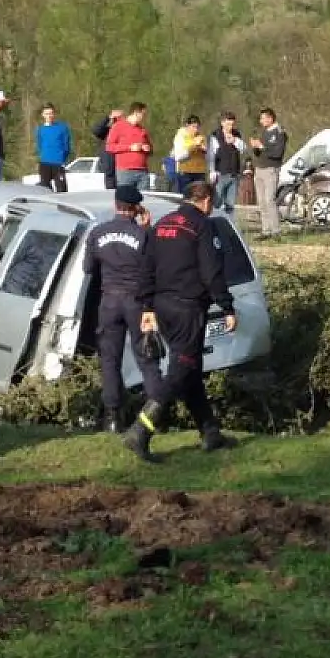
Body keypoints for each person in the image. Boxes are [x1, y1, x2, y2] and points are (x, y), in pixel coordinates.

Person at [122, 181, 237, 462]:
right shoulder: (202, 226)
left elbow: (146, 268)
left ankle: (210, 433)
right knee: (180, 371)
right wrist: (226, 306)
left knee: (190, 370)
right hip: (188, 308)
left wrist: (147, 306)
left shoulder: (162, 224)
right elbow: (211, 271)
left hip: (163, 307)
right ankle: (140, 430)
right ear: (206, 200)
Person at [84, 184, 154, 434]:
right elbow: (153, 268)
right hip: (137, 302)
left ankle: (113, 418)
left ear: (115, 205)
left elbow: (88, 269)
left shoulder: (97, 233)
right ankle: (155, 413)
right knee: (146, 356)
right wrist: (147, 228)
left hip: (109, 301)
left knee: (110, 359)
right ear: (137, 209)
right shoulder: (142, 235)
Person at [250, 108, 288, 238]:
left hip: (271, 169)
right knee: (261, 201)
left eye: (263, 118)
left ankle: (276, 230)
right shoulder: (264, 132)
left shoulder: (279, 133)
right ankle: (266, 230)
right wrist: (255, 147)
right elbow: (259, 152)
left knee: (269, 200)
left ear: (270, 118)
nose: (261, 121)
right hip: (259, 169)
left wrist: (262, 147)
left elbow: (277, 153)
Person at [106, 102, 155, 191]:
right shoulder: (118, 126)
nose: (144, 117)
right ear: (136, 112)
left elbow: (151, 149)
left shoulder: (142, 129)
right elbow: (109, 147)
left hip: (143, 172)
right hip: (125, 171)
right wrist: (130, 147)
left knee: (144, 197)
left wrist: (147, 148)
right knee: (126, 198)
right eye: (143, 114)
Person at [209, 113, 245, 215]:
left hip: (234, 173)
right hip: (220, 174)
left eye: (232, 124)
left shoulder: (236, 134)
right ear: (222, 123)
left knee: (230, 204)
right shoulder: (215, 135)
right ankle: (214, 220)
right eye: (228, 124)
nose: (230, 127)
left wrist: (235, 141)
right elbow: (211, 155)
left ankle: (229, 221)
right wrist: (212, 171)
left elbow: (243, 149)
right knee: (217, 202)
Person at [36, 102, 73, 191]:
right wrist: (43, 156)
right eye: (47, 114)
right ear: (43, 115)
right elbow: (39, 145)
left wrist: (62, 158)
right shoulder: (40, 129)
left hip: (58, 163)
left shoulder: (62, 128)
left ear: (54, 114)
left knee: (62, 189)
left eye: (51, 113)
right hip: (45, 163)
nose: (49, 116)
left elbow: (67, 146)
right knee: (44, 189)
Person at [172, 115, 208, 193]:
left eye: (197, 127)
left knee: (199, 196)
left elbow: (208, 154)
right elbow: (178, 157)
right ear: (187, 126)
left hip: (200, 173)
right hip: (185, 172)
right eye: (193, 127)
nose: (195, 129)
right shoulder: (180, 137)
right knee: (185, 196)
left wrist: (204, 149)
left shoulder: (202, 137)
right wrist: (193, 146)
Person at [91, 108, 124, 190]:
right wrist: (108, 118)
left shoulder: (126, 130)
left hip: (124, 166)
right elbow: (96, 130)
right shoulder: (107, 131)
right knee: (111, 190)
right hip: (110, 167)